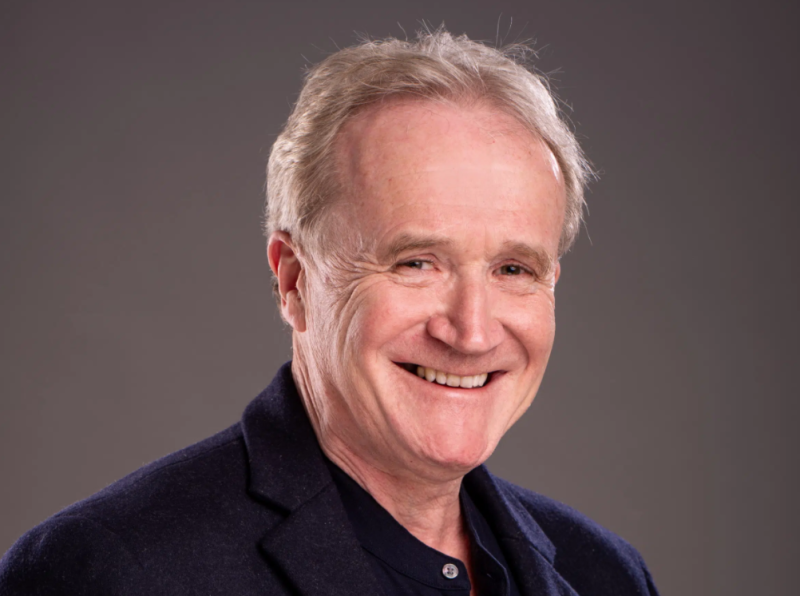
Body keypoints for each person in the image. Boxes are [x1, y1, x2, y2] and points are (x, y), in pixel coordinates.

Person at [0, 29, 659, 595]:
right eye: (416, 262)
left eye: (514, 270)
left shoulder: (603, 573)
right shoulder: (112, 571)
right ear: (293, 280)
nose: (472, 330)